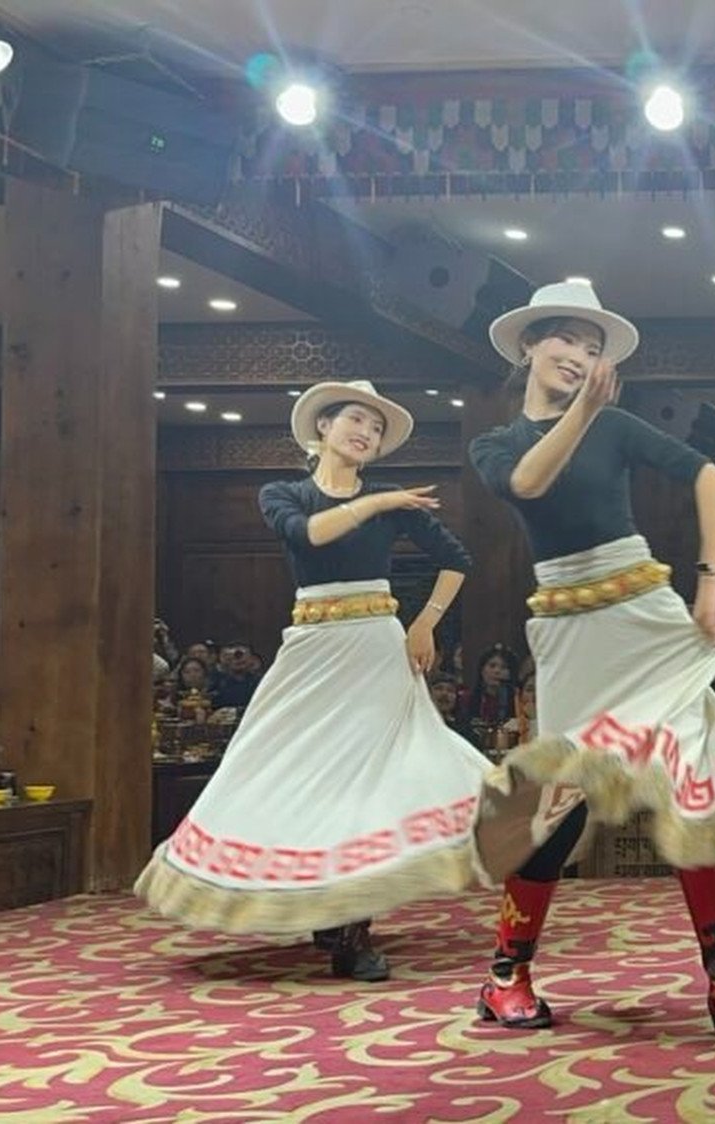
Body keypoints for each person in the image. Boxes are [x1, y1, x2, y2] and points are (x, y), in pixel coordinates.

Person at [470, 281, 715, 1033]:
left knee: (689, 782)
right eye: (566, 340)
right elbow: (530, 483)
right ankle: (507, 974)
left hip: (648, 616)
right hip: (569, 627)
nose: (581, 357)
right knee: (560, 804)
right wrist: (587, 411)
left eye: (593, 349)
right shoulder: (496, 442)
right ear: (529, 346)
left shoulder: (617, 424)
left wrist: (710, 583)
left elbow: (713, 478)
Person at [134, 381, 493, 982]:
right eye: (355, 419)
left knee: (367, 780)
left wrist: (425, 623)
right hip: (310, 648)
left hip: (378, 649)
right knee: (280, 766)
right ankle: (314, 897)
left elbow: (459, 560)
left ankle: (353, 929)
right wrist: (380, 504)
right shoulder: (283, 492)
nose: (366, 433)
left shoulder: (393, 501)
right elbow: (309, 534)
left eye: (376, 429)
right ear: (321, 428)